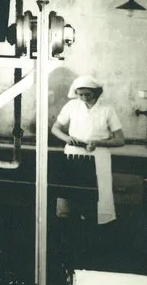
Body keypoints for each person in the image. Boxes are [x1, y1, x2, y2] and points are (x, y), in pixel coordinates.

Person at [51, 75, 125, 225]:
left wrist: (98, 143)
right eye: (80, 94)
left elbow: (120, 140)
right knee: (71, 194)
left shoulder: (107, 109)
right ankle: (68, 225)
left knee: (98, 196)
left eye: (88, 94)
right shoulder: (72, 106)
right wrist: (67, 139)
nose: (84, 98)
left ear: (97, 92)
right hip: (74, 155)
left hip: (98, 157)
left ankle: (95, 227)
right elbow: (55, 128)